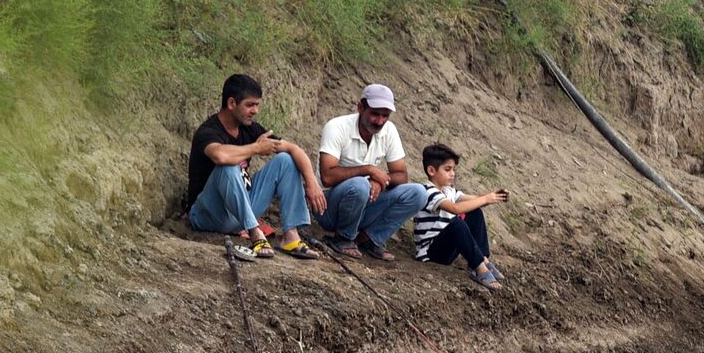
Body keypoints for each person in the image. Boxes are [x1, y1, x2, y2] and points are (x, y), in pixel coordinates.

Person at [186, 73, 326, 259]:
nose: (255, 110)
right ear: (231, 104)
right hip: (208, 214)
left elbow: (294, 148)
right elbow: (220, 155)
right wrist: (256, 148)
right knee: (228, 165)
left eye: (257, 105)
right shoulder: (208, 131)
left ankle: (291, 236)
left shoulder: (249, 127)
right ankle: (255, 233)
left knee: (285, 160)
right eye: (250, 105)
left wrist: (311, 182)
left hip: (241, 212)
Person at [315, 84, 428, 260]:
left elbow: (401, 175)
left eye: (385, 116)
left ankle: (369, 239)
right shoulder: (337, 126)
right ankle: (343, 238)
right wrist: (369, 170)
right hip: (327, 207)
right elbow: (327, 177)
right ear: (360, 107)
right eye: (375, 114)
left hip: (364, 203)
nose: (380, 121)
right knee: (360, 184)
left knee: (419, 193)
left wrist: (380, 180)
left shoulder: (389, 130)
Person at [413, 143, 508, 291]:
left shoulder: (448, 190)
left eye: (453, 170)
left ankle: (483, 259)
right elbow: (455, 208)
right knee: (457, 223)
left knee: (475, 212)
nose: (452, 174)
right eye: (447, 169)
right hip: (432, 253)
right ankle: (480, 269)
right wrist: (484, 199)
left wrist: (494, 196)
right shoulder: (427, 191)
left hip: (448, 249)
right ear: (431, 170)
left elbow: (473, 200)